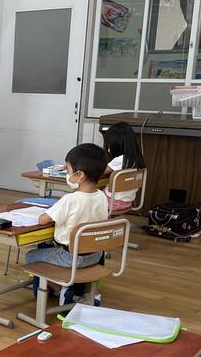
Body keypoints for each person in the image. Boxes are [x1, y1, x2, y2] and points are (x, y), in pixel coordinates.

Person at [25, 143, 109, 305]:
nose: (67, 175)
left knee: (31, 256)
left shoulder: (70, 199)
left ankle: (61, 288)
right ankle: (74, 290)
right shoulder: (102, 196)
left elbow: (42, 220)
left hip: (69, 257)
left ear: (80, 175)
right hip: (95, 255)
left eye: (68, 171)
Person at [101, 122, 146, 211]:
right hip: (127, 202)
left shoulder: (120, 160)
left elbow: (100, 171)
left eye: (109, 144)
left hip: (112, 202)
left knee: (88, 195)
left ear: (116, 144)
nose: (109, 148)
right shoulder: (136, 159)